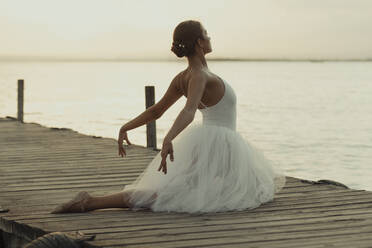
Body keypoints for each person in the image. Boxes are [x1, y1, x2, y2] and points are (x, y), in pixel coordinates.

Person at [51, 20, 286, 214]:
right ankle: (91, 202)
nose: (210, 37)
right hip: (219, 145)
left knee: (188, 191)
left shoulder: (184, 77)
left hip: (213, 145)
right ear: (199, 42)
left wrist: (126, 127)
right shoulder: (199, 76)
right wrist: (168, 138)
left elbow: (156, 111)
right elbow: (189, 110)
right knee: (183, 194)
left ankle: (92, 201)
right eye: (206, 34)